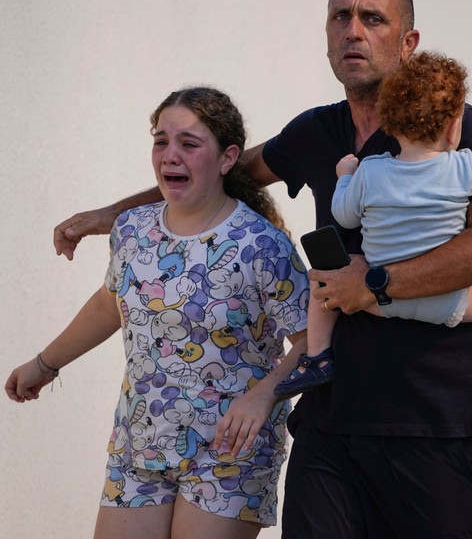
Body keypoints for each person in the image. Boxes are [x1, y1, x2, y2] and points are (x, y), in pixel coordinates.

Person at [51, 0, 472, 539]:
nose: (353, 30)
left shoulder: (446, 124)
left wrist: (375, 283)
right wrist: (112, 214)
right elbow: (215, 172)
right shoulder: (316, 132)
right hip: (334, 417)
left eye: (373, 19)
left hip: (438, 422)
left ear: (408, 42)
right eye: (341, 17)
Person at [6, 87, 310, 539]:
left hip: (230, 452)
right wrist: (45, 363)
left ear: (227, 158)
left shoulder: (263, 245)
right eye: (161, 141)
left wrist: (265, 395)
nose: (170, 155)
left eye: (189, 143)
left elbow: (312, 342)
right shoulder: (132, 228)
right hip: (140, 441)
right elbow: (109, 304)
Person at [274, 50, 472, 418]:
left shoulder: (371, 170)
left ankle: (317, 358)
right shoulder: (465, 167)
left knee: (325, 285)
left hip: (376, 300)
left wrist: (345, 177)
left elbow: (344, 217)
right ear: (454, 127)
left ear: (389, 122)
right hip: (447, 298)